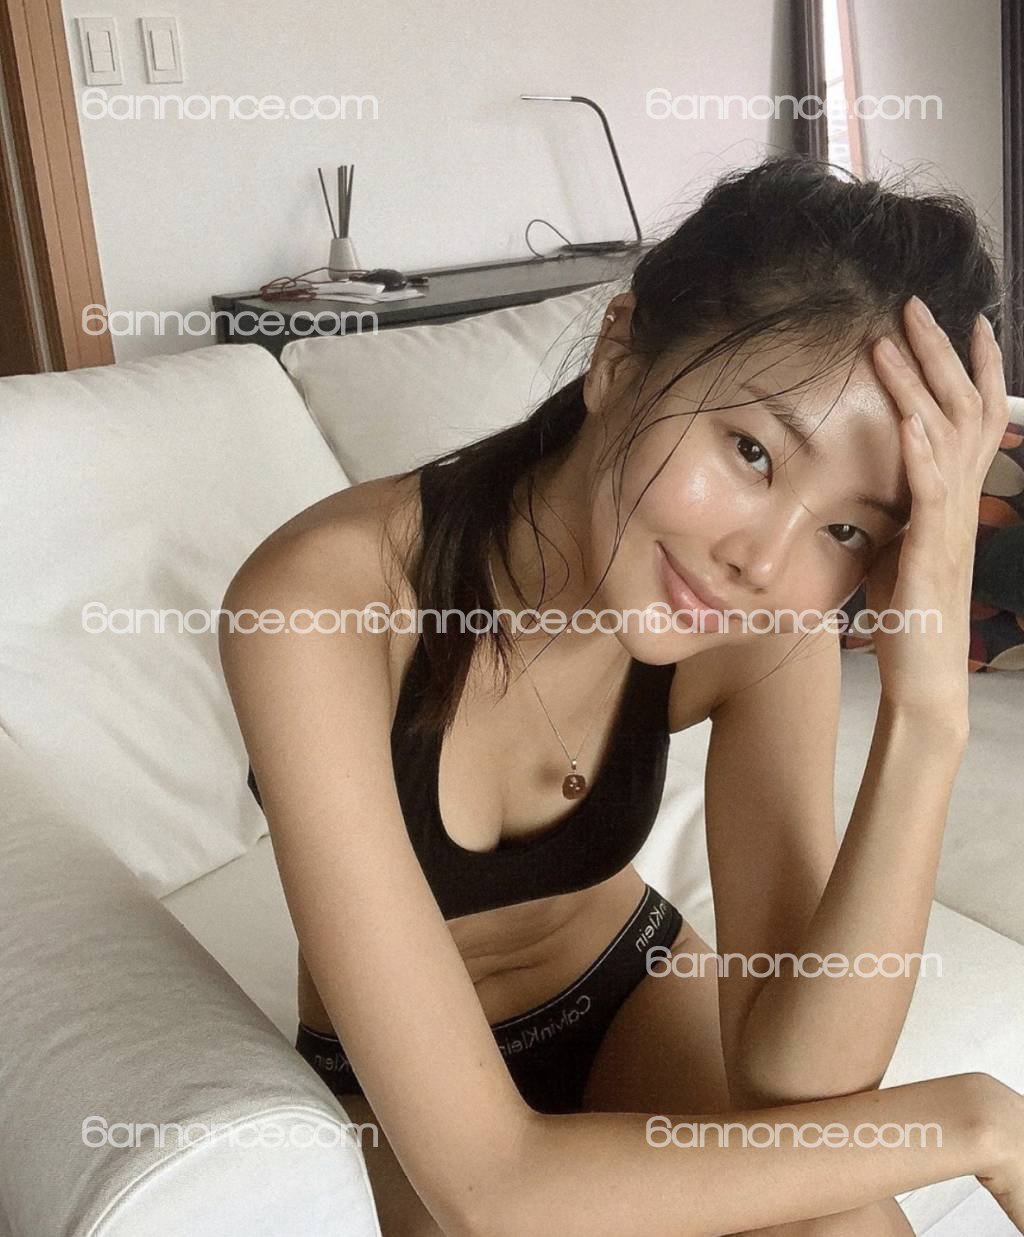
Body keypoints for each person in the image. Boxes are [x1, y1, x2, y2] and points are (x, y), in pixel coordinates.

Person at [219, 155, 1022, 1236]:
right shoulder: (315, 604)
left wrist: (926, 714)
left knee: (848, 1224)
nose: (761, 560)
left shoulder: (767, 622)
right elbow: (494, 1189)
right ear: (618, 354)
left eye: (846, 528)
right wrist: (975, 1122)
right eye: (751, 451)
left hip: (627, 987)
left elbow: (796, 1084)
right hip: (407, 1108)